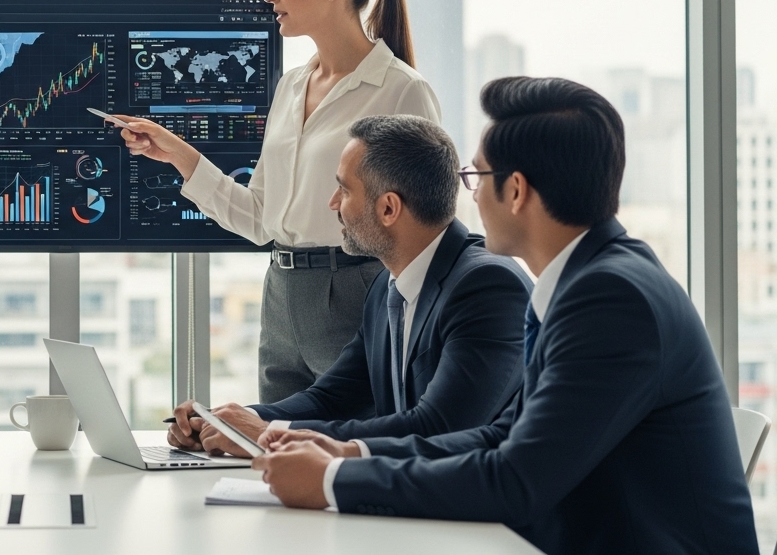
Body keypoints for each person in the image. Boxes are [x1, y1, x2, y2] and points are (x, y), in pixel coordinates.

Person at [251, 77, 759, 555]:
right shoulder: (591, 281)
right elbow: (503, 436)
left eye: (475, 177)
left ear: (515, 190)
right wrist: (351, 455)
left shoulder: (611, 298)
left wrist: (331, 482)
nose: (465, 196)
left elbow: (516, 480)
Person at [118, 0, 442, 402]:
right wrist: (179, 156)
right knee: (274, 452)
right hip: (280, 292)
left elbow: (429, 230)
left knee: (347, 452)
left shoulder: (401, 90)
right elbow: (260, 220)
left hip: (356, 291)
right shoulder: (292, 87)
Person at [168, 115, 530, 455]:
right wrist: (223, 421)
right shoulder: (388, 286)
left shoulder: (487, 286)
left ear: (389, 209)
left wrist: (265, 434)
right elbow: (331, 398)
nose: (333, 203)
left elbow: (440, 427)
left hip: (482, 517)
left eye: (344, 190)